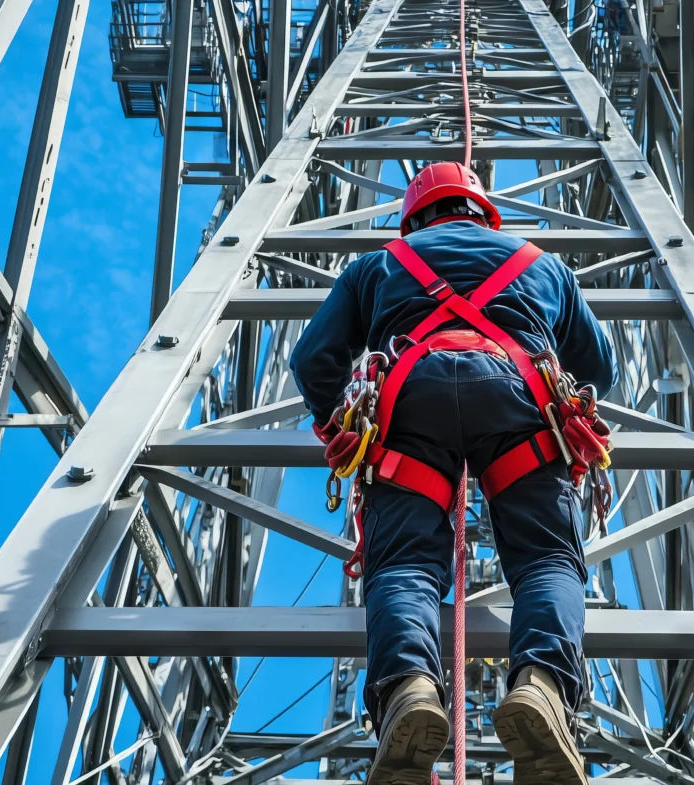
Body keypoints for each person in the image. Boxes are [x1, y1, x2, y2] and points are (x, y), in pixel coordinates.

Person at [290, 161, 617, 785]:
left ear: (414, 217)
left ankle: (410, 690)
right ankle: (544, 688)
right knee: (548, 559)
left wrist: (337, 422)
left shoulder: (380, 263)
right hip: (522, 399)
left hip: (410, 400)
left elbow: (314, 360)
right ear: (481, 211)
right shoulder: (542, 264)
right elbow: (600, 370)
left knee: (406, 564)